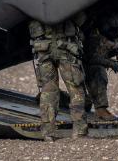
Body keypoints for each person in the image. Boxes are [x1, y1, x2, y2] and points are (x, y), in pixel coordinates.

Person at [29, 13, 89, 141]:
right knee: (76, 89)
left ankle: (48, 133)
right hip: (66, 49)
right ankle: (79, 131)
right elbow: (81, 19)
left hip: (44, 49)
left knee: (48, 92)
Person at [83, 12, 118, 120]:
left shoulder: (114, 38)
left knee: (85, 102)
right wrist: (110, 63)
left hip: (93, 67)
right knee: (99, 72)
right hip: (85, 67)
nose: (116, 32)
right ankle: (101, 109)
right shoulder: (94, 37)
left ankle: (85, 102)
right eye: (113, 29)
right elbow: (91, 58)